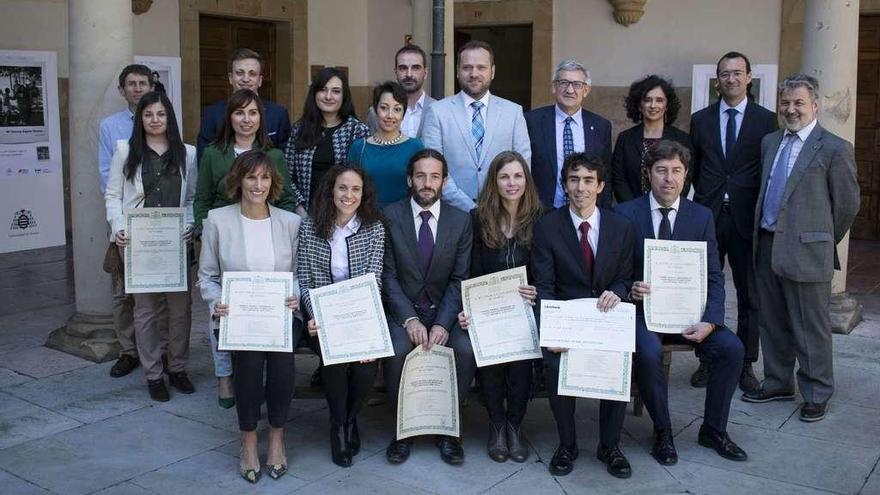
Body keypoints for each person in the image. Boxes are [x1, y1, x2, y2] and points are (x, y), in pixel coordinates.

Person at [616, 140, 748, 466]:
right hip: (643, 314)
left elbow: (714, 276)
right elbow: (613, 272)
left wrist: (711, 321)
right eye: (661, 171)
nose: (669, 179)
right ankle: (662, 432)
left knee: (732, 349)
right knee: (647, 352)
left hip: (691, 314)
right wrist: (629, 288)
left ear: (686, 176)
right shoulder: (624, 214)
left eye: (676, 171)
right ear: (648, 174)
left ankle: (713, 430)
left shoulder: (701, 216)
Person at [743, 74, 860, 423]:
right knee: (773, 321)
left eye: (798, 103)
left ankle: (816, 391)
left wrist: (820, 238)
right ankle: (778, 381)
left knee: (810, 326)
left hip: (807, 251)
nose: (791, 109)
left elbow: (847, 206)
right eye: (785, 103)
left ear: (815, 106)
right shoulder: (770, 141)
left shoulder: (835, 148)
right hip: (766, 244)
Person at [198, 150, 303, 483]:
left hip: (281, 316)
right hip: (238, 319)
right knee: (249, 361)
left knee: (282, 364)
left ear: (273, 183)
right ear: (238, 180)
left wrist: (294, 296)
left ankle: (276, 438)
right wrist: (217, 302)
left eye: (265, 177)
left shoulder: (290, 222)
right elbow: (207, 276)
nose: (258, 185)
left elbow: (300, 274)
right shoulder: (218, 220)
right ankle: (247, 439)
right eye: (251, 177)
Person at [530, 152, 635, 478]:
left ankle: (609, 446)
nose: (581, 188)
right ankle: (568, 444)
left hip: (606, 317)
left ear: (600, 186)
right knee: (553, 361)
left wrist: (617, 291)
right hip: (568, 319)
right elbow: (544, 285)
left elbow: (626, 276)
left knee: (620, 358)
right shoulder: (548, 226)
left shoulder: (620, 226)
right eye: (574, 180)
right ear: (564, 185)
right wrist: (553, 333)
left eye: (589, 180)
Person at [193, 88, 297, 408]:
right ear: (230, 117)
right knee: (222, 307)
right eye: (239, 113)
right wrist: (207, 232)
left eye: (253, 113)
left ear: (261, 118)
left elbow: (287, 199)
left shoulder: (274, 155)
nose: (246, 119)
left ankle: (259, 377)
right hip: (224, 237)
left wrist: (283, 228)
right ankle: (225, 375)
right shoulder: (214, 153)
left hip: (266, 230)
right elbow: (203, 198)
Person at [689, 52, 778, 392]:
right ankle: (708, 359)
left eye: (737, 73)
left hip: (744, 217)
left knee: (749, 294)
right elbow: (693, 168)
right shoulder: (701, 120)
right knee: (705, 292)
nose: (731, 79)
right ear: (717, 79)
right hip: (708, 216)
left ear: (749, 77)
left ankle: (744, 364)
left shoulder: (765, 121)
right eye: (725, 74)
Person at [382, 148, 475, 466]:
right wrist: (408, 319)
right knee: (396, 349)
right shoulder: (389, 215)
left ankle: (449, 432)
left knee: (464, 350)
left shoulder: (461, 221)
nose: (427, 182)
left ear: (444, 181)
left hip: (444, 314)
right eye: (420, 175)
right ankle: (402, 432)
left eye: (434, 176)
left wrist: (442, 323)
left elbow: (460, 278)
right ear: (410, 179)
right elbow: (388, 277)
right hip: (403, 310)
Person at [104, 91, 196, 402]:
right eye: (148, 115)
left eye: (160, 114)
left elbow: (193, 198)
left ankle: (178, 367)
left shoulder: (188, 153)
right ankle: (154, 374)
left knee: (180, 310)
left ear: (169, 117)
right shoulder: (125, 150)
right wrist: (118, 228)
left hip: (175, 243)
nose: (155, 120)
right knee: (143, 312)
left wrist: (190, 224)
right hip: (138, 243)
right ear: (140, 119)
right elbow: (112, 196)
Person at [297, 164, 386, 467]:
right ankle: (338, 426)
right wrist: (314, 314)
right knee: (334, 361)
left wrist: (363, 327)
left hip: (361, 315)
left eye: (355, 189)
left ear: (364, 194)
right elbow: (305, 279)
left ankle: (350, 418)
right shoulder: (310, 227)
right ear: (331, 190)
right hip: (323, 317)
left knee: (365, 367)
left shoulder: (374, 228)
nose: (348, 195)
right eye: (342, 188)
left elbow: (374, 279)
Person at [457, 150, 541, 463]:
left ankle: (515, 426)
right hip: (486, 311)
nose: (511, 183)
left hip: (525, 310)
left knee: (520, 366)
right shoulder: (478, 219)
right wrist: (469, 309)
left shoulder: (539, 218)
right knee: (491, 365)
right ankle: (496, 426)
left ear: (526, 180)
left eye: (518, 176)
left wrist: (537, 293)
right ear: (494, 181)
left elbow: (544, 270)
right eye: (504, 176)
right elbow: (470, 271)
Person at [420, 40, 531, 211]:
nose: (474, 73)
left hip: (502, 211)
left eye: (481, 67)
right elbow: (433, 168)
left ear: (492, 71)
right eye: (467, 67)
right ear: (457, 72)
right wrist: (469, 208)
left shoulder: (513, 112)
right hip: (453, 213)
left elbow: (523, 164)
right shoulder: (437, 112)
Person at [98, 64, 157, 378]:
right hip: (125, 221)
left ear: (151, 87)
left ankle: (154, 348)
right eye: (131, 84)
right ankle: (128, 350)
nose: (137, 88)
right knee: (123, 292)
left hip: (159, 221)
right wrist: (119, 223)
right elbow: (108, 178)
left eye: (143, 83)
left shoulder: (164, 122)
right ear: (122, 90)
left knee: (156, 289)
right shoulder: (111, 127)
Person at [525, 60, 612, 209]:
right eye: (564, 83)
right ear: (554, 87)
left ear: (586, 90)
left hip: (586, 212)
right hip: (541, 212)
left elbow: (605, 173)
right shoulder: (531, 121)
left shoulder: (600, 126)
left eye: (577, 84)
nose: (570, 90)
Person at [285, 67, 369, 216]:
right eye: (323, 90)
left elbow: (362, 179)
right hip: (305, 214)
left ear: (344, 96)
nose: (328, 96)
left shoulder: (357, 131)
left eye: (336, 91)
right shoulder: (299, 130)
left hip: (345, 216)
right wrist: (299, 208)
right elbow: (287, 175)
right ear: (314, 93)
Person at [197, 48, 291, 161]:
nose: (246, 79)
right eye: (239, 73)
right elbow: (203, 160)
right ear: (230, 78)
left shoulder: (278, 114)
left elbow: (285, 160)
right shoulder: (212, 113)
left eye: (252, 74)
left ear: (260, 80)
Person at [611, 75, 692, 203]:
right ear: (639, 105)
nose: (653, 105)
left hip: (668, 209)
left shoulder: (681, 139)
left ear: (667, 106)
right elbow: (618, 179)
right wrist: (634, 208)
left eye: (659, 100)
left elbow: (686, 178)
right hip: (632, 212)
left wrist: (669, 203)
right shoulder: (625, 139)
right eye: (648, 100)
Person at [347, 81, 424, 207]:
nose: (390, 115)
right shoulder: (359, 147)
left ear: (403, 114)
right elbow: (349, 187)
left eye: (397, 109)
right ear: (375, 110)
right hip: (367, 219)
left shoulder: (415, 147)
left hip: (403, 220)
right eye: (384, 108)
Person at [366, 44, 436, 138]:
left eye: (416, 68)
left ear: (425, 73)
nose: (409, 74)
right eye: (403, 68)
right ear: (396, 72)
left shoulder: (438, 110)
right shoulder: (375, 112)